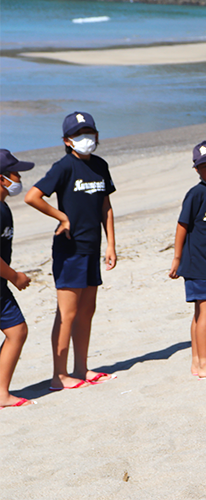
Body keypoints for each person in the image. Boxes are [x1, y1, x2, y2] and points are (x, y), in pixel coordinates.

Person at [25, 112, 117, 391]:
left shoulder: (100, 165)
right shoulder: (63, 167)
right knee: (67, 312)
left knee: (87, 310)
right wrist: (61, 217)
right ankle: (59, 375)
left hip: (92, 247)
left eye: (89, 132)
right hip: (69, 249)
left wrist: (111, 243)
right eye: (78, 135)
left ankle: (81, 368)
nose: (85, 139)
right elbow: (32, 196)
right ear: (67, 140)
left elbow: (105, 207)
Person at [169, 140, 206, 378]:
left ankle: (197, 362)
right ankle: (204, 361)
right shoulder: (196, 194)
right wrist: (176, 258)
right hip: (197, 262)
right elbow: (182, 225)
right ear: (196, 169)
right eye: (205, 167)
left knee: (201, 311)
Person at [0, 150, 34, 409]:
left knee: (17, 330)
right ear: (1, 178)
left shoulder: (4, 208)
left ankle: (2, 393)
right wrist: (15, 277)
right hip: (4, 282)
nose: (19, 178)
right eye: (15, 174)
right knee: (17, 331)